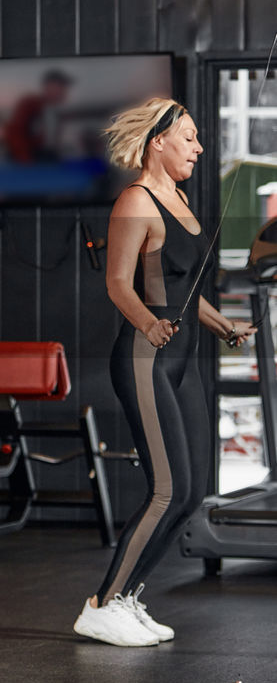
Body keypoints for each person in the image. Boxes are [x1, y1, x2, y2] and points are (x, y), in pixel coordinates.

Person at [73, 98, 256, 647]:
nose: (199, 148)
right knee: (166, 488)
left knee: (194, 490)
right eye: (191, 138)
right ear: (159, 141)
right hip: (144, 356)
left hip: (183, 359)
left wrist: (223, 325)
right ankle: (102, 605)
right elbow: (118, 285)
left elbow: (186, 290)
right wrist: (149, 325)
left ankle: (128, 597)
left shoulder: (179, 200)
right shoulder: (136, 202)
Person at [4, 67, 73, 163]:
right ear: (48, 86)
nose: (64, 91)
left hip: (46, 157)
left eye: (64, 87)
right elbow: (15, 132)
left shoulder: (55, 111)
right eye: (60, 86)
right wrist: (25, 160)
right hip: (27, 160)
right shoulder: (30, 104)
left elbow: (51, 141)